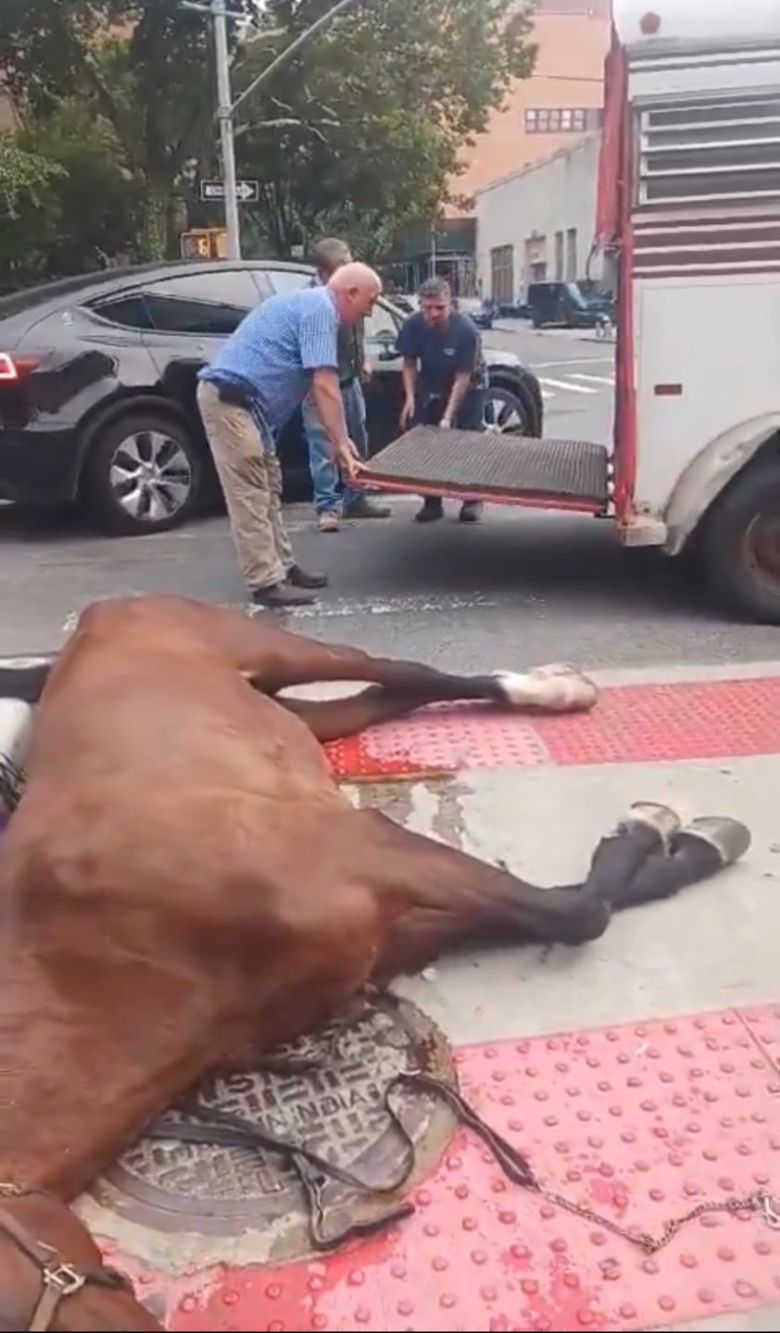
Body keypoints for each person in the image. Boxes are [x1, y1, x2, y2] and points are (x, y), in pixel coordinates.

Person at [197, 262, 381, 608]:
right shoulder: (320, 310)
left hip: (249, 408)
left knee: (269, 485)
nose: (369, 312)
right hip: (231, 402)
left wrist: (338, 435)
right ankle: (265, 582)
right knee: (251, 492)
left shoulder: (312, 305)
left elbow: (318, 388)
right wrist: (340, 442)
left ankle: (283, 566)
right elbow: (325, 383)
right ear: (350, 293)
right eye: (369, 302)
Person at [302, 237, 390, 533]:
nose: (353, 266)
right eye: (346, 262)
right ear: (330, 271)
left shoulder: (352, 287)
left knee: (357, 436)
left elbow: (359, 320)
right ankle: (328, 506)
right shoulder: (315, 302)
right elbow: (316, 360)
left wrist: (360, 358)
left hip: (348, 376)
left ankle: (356, 497)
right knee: (323, 443)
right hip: (321, 381)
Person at [397, 276, 486, 524]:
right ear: (420, 304)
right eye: (427, 307)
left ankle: (472, 500)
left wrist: (448, 417)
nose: (433, 313)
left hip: (467, 384)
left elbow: (463, 377)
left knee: (468, 441)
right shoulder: (413, 325)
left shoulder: (467, 331)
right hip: (433, 379)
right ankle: (432, 502)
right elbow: (409, 363)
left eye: (440, 308)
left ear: (451, 305)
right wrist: (410, 398)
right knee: (427, 441)